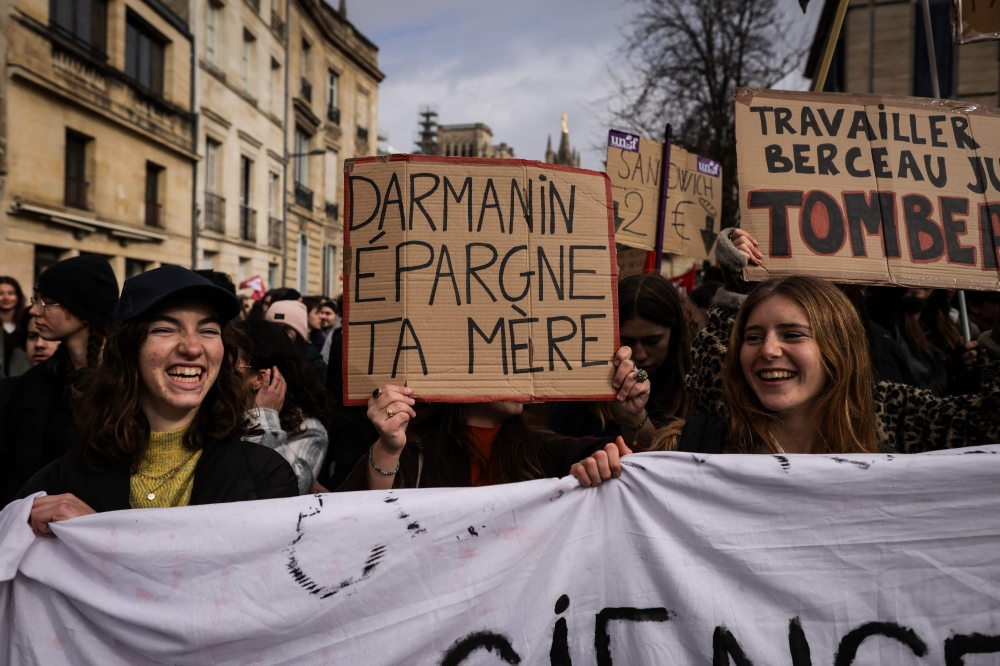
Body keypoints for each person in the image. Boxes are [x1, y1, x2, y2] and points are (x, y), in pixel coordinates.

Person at [573, 229, 1000, 474]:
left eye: (793, 335)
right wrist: (609, 475)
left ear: (838, 347)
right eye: (753, 337)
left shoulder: (892, 414)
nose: (768, 350)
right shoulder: (696, 445)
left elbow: (988, 424)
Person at [12, 266, 298, 533]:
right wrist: (23, 520)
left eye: (209, 331)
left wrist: (100, 536)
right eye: (165, 329)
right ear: (127, 350)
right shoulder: (65, 479)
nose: (192, 347)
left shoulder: (266, 476)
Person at [338, 346, 652, 491]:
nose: (523, 369)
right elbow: (361, 523)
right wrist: (389, 448)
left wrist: (633, 418)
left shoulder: (542, 450)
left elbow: (657, 468)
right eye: (506, 356)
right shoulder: (415, 453)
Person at [0, 255, 119, 503]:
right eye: (36, 300)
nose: (34, 311)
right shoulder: (41, 379)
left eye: (48, 302)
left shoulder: (124, 380)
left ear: (83, 310)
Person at [546, 273, 691, 438]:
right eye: (627, 342)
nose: (640, 355)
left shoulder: (697, 389)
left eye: (652, 341)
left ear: (674, 334)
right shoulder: (580, 396)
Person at [240, 320, 337, 494]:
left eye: (229, 362)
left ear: (260, 378)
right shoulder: (216, 413)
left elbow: (285, 489)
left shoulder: (307, 428)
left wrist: (264, 417)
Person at [265, 300, 327, 384]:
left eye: (285, 329)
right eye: (273, 328)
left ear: (298, 333)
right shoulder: (259, 357)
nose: (278, 334)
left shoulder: (313, 363)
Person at [6, 309, 61, 377]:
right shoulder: (11, 386)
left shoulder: (75, 385)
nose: (39, 344)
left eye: (49, 337)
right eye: (32, 336)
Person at [0, 276, 27, 377]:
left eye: (11, 293)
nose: (6, 297)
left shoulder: (26, 323)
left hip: (20, 379)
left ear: (18, 296)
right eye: (0, 293)